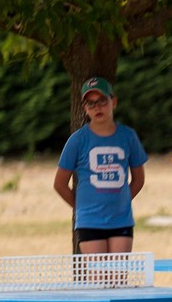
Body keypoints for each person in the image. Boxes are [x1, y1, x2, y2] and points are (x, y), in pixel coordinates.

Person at [53, 77, 148, 254]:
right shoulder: (77, 140)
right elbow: (59, 183)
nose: (97, 107)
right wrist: (81, 208)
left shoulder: (128, 136)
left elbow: (139, 179)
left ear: (114, 102)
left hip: (121, 219)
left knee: (119, 272)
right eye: (91, 103)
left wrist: (122, 202)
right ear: (84, 108)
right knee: (98, 272)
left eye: (102, 101)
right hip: (90, 221)